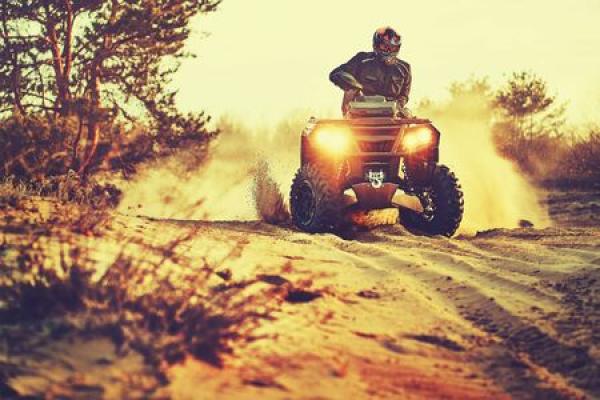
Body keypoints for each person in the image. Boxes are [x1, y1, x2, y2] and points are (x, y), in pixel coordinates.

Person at [329, 26, 412, 116]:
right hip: (359, 112)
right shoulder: (362, 60)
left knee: (412, 119)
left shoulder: (404, 68)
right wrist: (353, 86)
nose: (389, 50)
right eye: (385, 46)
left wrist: (398, 107)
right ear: (376, 45)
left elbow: (404, 95)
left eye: (393, 47)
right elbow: (336, 73)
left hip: (391, 115)